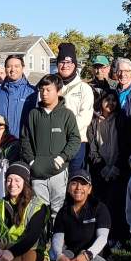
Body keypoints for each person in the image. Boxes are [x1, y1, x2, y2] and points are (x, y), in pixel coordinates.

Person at [20, 74, 81, 222]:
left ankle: (56, 241)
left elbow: (75, 139)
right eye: (41, 90)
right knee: (38, 210)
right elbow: (25, 139)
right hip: (37, 172)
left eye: (48, 89)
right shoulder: (33, 114)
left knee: (57, 210)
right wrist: (32, 162)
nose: (44, 93)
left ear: (58, 91)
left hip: (58, 172)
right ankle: (40, 241)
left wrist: (62, 157)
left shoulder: (67, 115)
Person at [55, 43, 95, 171]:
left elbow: (85, 116)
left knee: (74, 183)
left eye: (69, 62)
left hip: (76, 143)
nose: (65, 65)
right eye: (62, 62)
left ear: (74, 65)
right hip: (54, 142)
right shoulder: (50, 86)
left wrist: (63, 130)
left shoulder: (85, 88)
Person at [87, 93, 121, 229]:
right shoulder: (93, 120)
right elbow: (92, 147)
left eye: (114, 100)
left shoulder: (121, 118)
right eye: (107, 100)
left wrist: (116, 166)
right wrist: (102, 166)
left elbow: (125, 144)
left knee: (115, 203)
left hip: (117, 168)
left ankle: (115, 234)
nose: (110, 103)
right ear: (101, 101)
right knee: (99, 203)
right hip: (99, 168)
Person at [0, 54, 37, 139]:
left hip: (24, 145)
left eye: (16, 66)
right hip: (0, 144)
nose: (12, 69)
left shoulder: (33, 93)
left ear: (23, 68)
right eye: (9, 67)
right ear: (5, 69)